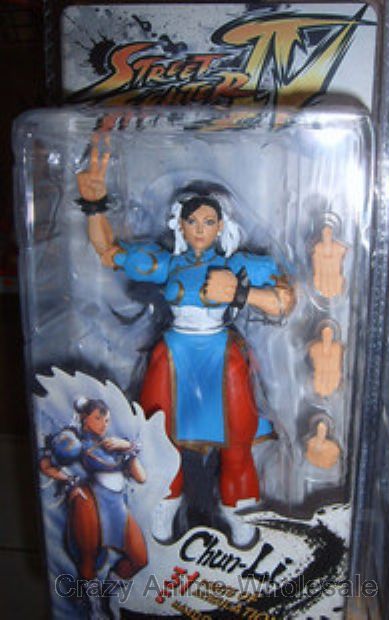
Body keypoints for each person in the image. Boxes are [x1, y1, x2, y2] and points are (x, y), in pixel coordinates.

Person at [76, 134, 329, 547]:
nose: (200, 229)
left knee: (237, 437)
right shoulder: (166, 263)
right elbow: (108, 252)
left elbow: (288, 297)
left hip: (220, 355)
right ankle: (164, 505)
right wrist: (94, 204)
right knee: (159, 435)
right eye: (192, 221)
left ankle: (240, 511)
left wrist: (241, 293)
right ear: (180, 224)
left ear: (220, 226)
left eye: (208, 222)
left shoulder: (238, 264)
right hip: (174, 354)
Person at [39, 397, 147, 615]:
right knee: (87, 557)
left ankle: (107, 595)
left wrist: (128, 447)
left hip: (116, 504)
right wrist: (69, 480)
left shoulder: (114, 444)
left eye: (106, 420)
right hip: (91, 501)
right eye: (98, 418)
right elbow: (45, 464)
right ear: (84, 418)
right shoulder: (75, 442)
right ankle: (95, 607)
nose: (103, 424)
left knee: (139, 558)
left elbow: (141, 477)